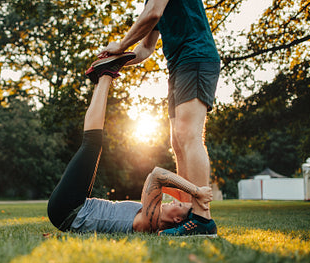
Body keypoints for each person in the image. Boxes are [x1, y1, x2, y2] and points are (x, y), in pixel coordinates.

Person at [47, 55, 217, 236]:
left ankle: (105, 75)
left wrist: (196, 191)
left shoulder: (149, 222)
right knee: (91, 144)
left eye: (180, 206)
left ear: (177, 220)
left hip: (68, 210)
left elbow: (158, 175)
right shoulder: (153, 210)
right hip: (77, 206)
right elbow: (160, 182)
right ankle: (100, 80)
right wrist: (191, 196)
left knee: (92, 144)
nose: (175, 202)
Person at [97, 0, 220, 236]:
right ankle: (188, 214)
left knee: (189, 135)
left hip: (195, 57)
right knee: (177, 142)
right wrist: (117, 59)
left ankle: (202, 217)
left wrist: (120, 44)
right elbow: (146, 49)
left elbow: (152, 14)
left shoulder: (154, 4)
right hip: (179, 66)